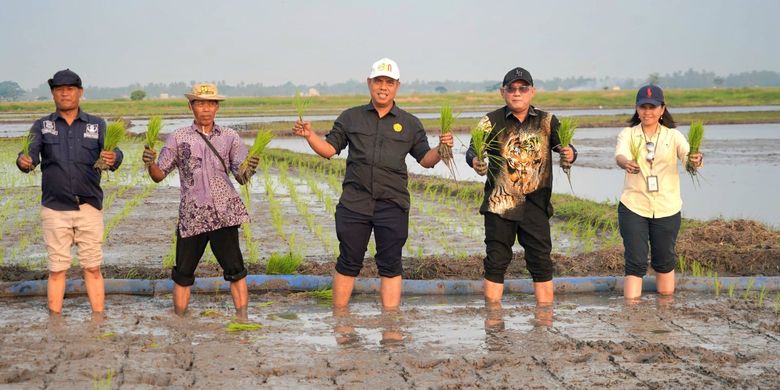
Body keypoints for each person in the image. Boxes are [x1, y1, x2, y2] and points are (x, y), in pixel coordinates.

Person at [292, 58, 453, 310]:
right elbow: (329, 149)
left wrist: (442, 149)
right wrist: (309, 136)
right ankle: (340, 319)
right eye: (378, 81)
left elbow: (425, 159)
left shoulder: (410, 123)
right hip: (355, 203)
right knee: (348, 261)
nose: (383, 87)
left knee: (391, 264)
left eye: (389, 82)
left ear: (397, 86)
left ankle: (390, 323)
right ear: (369, 83)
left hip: (392, 204)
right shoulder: (351, 118)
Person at [142, 83, 259, 317]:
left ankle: (243, 319)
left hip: (224, 214)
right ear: (191, 106)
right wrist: (150, 163)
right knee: (183, 273)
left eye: (211, 103)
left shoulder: (230, 137)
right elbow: (159, 175)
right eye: (200, 103)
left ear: (217, 107)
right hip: (193, 215)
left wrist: (250, 168)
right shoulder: (178, 137)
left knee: (236, 270)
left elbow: (241, 176)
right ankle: (180, 322)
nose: (206, 108)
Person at [16, 69, 123, 314]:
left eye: (70, 89)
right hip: (55, 208)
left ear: (80, 92)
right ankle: (55, 319)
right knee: (56, 269)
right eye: (59, 89)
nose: (65, 93)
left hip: (89, 207)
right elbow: (28, 156)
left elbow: (115, 154)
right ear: (53, 94)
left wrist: (113, 156)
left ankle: (98, 320)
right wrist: (23, 162)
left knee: (93, 267)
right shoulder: (42, 126)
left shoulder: (96, 125)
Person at [466, 66, 575, 306]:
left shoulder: (547, 121)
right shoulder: (489, 121)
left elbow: (566, 147)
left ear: (532, 92)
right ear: (502, 92)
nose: (517, 93)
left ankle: (545, 318)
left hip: (536, 203)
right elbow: (473, 150)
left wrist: (569, 154)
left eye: (523, 88)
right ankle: (493, 321)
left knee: (541, 262)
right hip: (500, 204)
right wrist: (475, 161)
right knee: (496, 261)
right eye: (512, 88)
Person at [614, 85, 702, 300]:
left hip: (667, 207)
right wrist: (626, 163)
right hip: (634, 206)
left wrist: (695, 160)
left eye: (653, 107)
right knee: (635, 261)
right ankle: (632, 313)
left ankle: (666, 310)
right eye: (643, 107)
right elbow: (620, 156)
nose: (648, 112)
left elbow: (687, 156)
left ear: (663, 109)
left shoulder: (673, 136)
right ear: (637, 109)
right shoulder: (628, 134)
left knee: (664, 260)